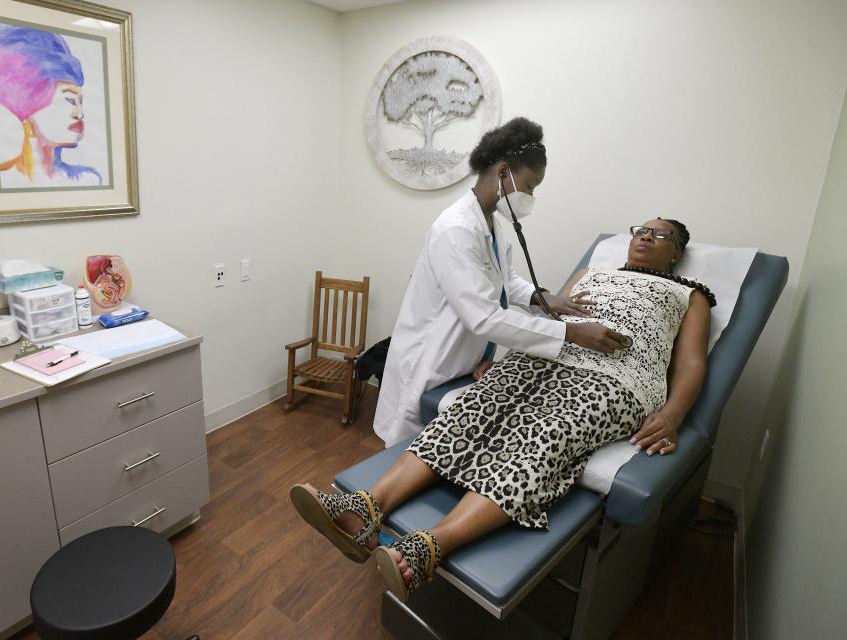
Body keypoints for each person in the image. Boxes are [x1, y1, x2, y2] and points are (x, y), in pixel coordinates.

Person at [291, 218, 714, 602]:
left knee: (542, 434)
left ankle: (432, 545)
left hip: (615, 379)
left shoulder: (689, 294)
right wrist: (509, 357)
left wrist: (673, 415)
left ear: (676, 252)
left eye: (659, 235)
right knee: (466, 411)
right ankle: (367, 507)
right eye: (641, 229)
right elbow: (547, 319)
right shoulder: (592, 273)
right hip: (545, 357)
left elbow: (692, 362)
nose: (644, 237)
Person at [373, 117, 627, 447]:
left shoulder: (491, 225)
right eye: (531, 185)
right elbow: (484, 316)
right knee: (404, 453)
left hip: (461, 362)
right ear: (504, 172)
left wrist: (541, 297)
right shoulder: (456, 229)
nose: (532, 195)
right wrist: (572, 332)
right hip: (430, 362)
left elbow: (504, 280)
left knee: (435, 454)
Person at [0, 21, 102, 186]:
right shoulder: (4, 182)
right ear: (28, 107)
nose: (79, 113)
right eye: (69, 100)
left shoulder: (88, 180)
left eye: (80, 102)